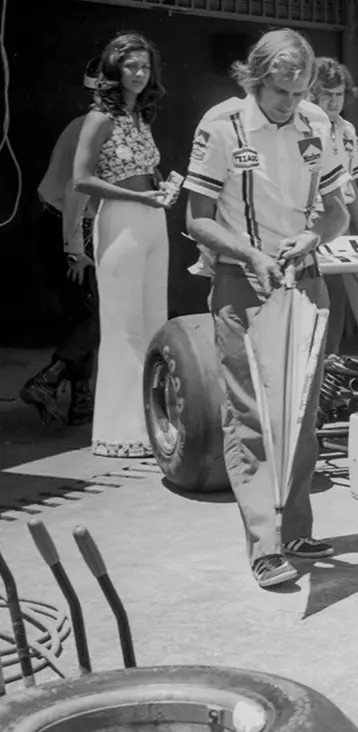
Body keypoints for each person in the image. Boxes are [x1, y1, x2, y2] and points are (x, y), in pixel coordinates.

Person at [182, 28, 350, 589]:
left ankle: (296, 526)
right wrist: (251, 253)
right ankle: (264, 544)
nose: (291, 103)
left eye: (300, 92)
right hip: (240, 282)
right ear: (255, 78)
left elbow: (337, 213)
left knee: (301, 410)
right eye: (281, 91)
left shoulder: (317, 125)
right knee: (251, 414)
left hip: (305, 282)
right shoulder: (221, 124)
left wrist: (313, 237)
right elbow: (196, 218)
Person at [72, 32, 173, 458]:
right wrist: (135, 196)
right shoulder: (99, 118)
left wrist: (161, 190)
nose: (138, 73)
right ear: (115, 69)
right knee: (123, 326)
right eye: (131, 66)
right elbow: (80, 179)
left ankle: (152, 423)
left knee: (154, 322)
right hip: (120, 221)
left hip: (152, 219)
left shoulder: (141, 118)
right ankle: (119, 431)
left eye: (145, 66)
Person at [21, 58, 103, 429]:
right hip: (68, 228)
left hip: (56, 224)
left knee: (82, 316)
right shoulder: (95, 128)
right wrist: (76, 250)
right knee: (94, 318)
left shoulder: (83, 124)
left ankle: (81, 402)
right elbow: (76, 190)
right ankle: (48, 380)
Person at [309, 56, 358, 355]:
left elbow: (351, 185)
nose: (333, 101)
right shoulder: (303, 126)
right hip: (309, 223)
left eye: (339, 94)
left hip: (339, 223)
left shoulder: (348, 131)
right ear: (313, 94)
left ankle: (329, 364)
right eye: (327, 94)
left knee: (337, 298)